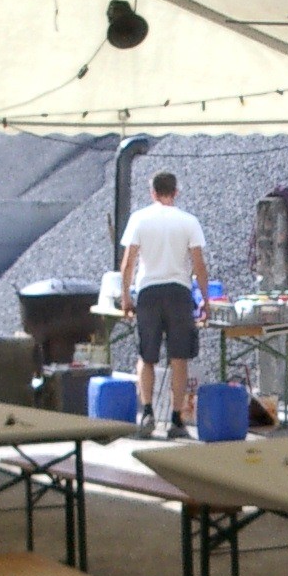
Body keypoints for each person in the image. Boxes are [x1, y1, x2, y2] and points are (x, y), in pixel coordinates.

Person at [119, 171, 208, 438]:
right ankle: (176, 420)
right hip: (179, 293)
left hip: (148, 292)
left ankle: (147, 413)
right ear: (176, 192)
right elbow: (199, 266)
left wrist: (126, 297)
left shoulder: (139, 219)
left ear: (153, 192)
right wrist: (205, 300)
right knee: (179, 358)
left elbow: (128, 263)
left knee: (146, 356)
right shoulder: (189, 221)